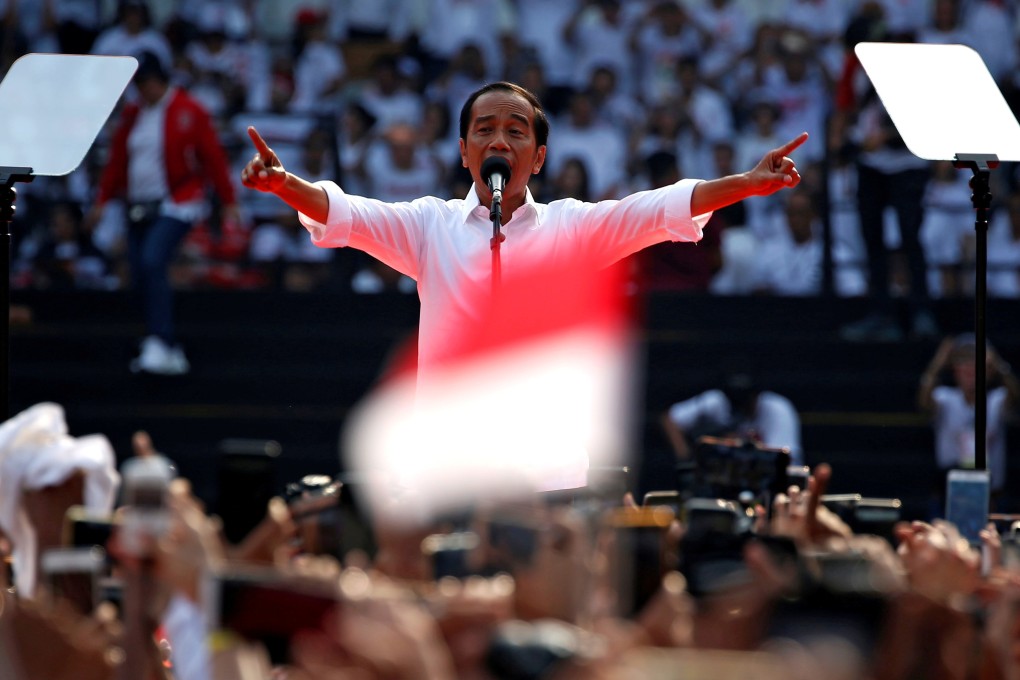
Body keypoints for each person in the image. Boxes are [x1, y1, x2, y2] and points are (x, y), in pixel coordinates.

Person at [240, 81, 807, 377]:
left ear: (538, 158)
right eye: (484, 130)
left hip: (546, 471)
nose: (499, 141)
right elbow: (346, 213)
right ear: (464, 151)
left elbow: (660, 207)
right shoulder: (429, 225)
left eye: (515, 131)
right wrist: (284, 184)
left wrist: (747, 183)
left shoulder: (573, 228)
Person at [89, 51, 239, 375]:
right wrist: (102, 200)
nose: (143, 91)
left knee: (153, 259)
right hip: (139, 203)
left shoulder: (190, 110)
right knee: (138, 269)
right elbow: (117, 160)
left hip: (178, 201)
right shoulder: (134, 113)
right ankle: (152, 339)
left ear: (160, 82)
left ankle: (163, 339)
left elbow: (212, 157)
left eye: (147, 84)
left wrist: (229, 200)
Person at [918, 334, 1019, 509]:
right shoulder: (945, 398)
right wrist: (939, 362)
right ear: (954, 370)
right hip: (950, 493)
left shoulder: (996, 400)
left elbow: (1015, 396)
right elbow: (924, 402)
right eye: (963, 364)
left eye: (976, 365)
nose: (970, 370)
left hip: (991, 494)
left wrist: (998, 364)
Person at [661, 369, 803, 465]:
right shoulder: (716, 402)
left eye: (746, 401)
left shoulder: (777, 409)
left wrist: (743, 445)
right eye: (736, 400)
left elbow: (787, 459)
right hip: (722, 478)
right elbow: (669, 419)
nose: (741, 406)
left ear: (756, 395)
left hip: (764, 480)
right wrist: (686, 457)